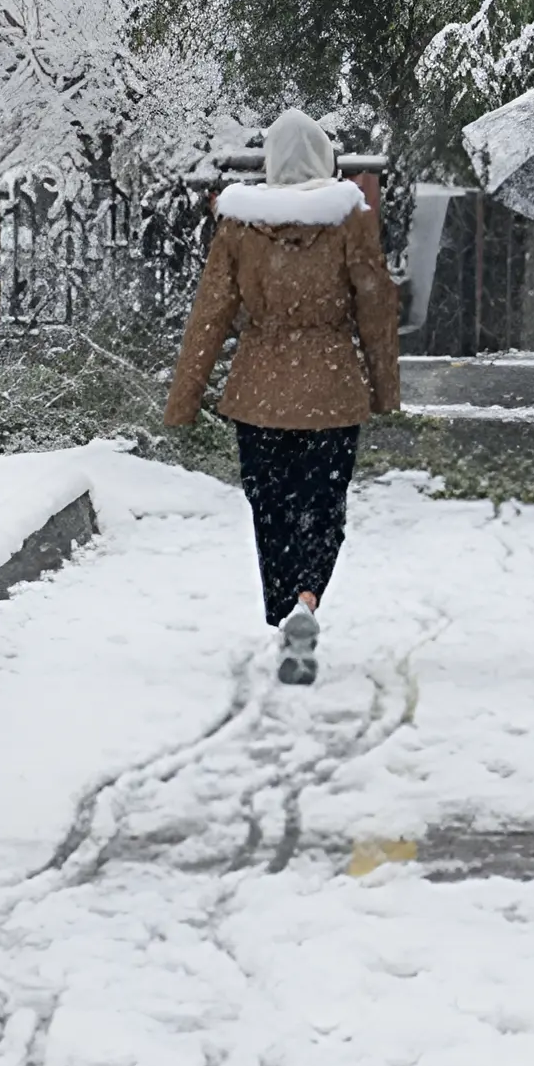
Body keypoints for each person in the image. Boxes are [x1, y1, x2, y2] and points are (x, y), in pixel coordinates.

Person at [164, 109, 404, 685]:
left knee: (270, 509)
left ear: (270, 164)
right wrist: (384, 388)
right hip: (332, 389)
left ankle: (284, 611)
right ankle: (306, 599)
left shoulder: (239, 226)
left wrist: (186, 397)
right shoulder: (351, 220)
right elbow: (375, 306)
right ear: (325, 157)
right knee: (323, 505)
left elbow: (211, 314)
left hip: (259, 392)